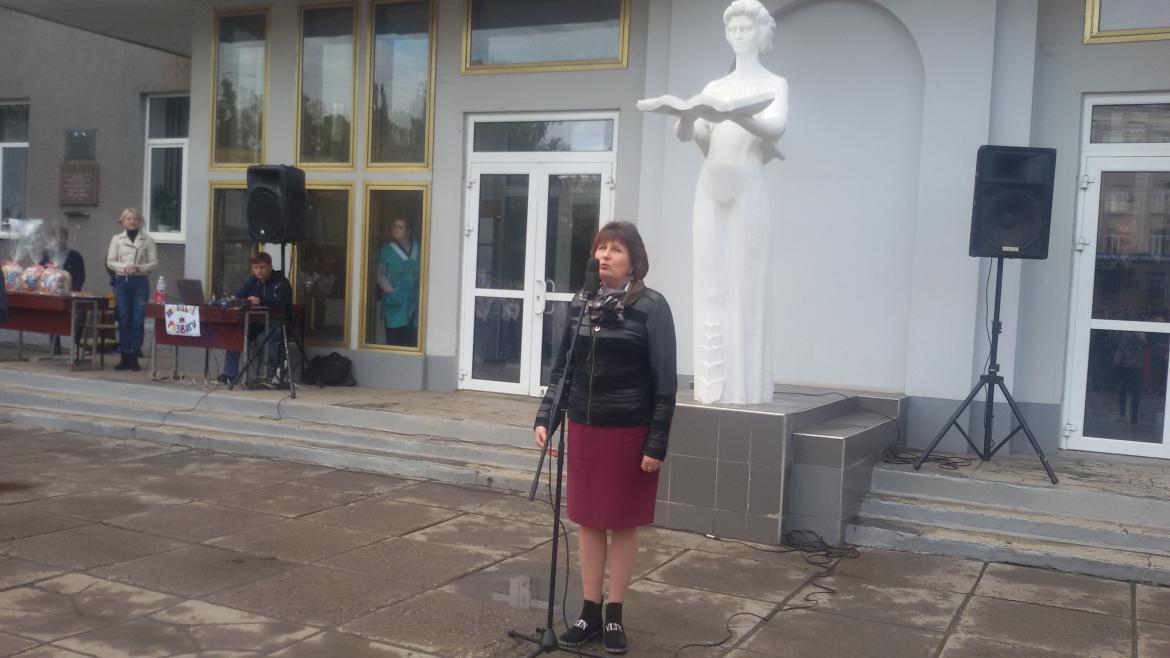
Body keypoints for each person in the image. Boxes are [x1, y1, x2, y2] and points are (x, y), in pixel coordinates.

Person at [533, 221, 677, 654]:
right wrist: (547, 417)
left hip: (629, 433)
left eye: (615, 249)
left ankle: (614, 614)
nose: (605, 256)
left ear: (634, 260)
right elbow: (563, 369)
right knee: (589, 520)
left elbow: (665, 382)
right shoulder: (581, 303)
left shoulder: (652, 307)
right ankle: (589, 612)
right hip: (585, 429)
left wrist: (656, 443)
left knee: (623, 522)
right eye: (601, 248)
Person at [674, 0, 787, 404]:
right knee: (710, 284)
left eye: (746, 29)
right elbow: (695, 137)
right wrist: (688, 115)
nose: (739, 35)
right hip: (710, 186)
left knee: (748, 281)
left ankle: (749, 386)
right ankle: (712, 384)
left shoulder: (775, 84)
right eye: (733, 29)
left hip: (748, 185)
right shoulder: (715, 88)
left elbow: (776, 127)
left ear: (761, 33)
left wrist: (737, 115)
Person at [217, 252, 292, 386]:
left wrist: (260, 301)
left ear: (270, 267)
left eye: (262, 267)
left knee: (263, 339)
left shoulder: (281, 282)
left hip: (279, 324)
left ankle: (280, 369)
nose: (259, 271)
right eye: (256, 268)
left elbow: (282, 303)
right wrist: (234, 298)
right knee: (236, 334)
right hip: (258, 323)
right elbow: (241, 293)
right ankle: (230, 375)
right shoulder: (252, 281)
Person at [106, 208, 157, 371]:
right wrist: (124, 267)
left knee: (138, 319)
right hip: (123, 280)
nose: (132, 221)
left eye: (135, 218)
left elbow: (153, 262)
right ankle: (124, 355)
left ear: (139, 221)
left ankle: (134, 354)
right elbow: (110, 261)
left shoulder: (147, 240)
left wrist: (139, 268)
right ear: (123, 222)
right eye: (128, 219)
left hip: (140, 281)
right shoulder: (117, 239)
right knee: (123, 317)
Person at [376, 217, 421, 347]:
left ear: (409, 231)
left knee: (413, 342)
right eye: (394, 226)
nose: (395, 229)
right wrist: (389, 290)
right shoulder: (387, 249)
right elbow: (380, 273)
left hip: (415, 302)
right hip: (395, 302)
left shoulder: (419, 248)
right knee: (394, 341)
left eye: (400, 227)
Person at [41, 226, 86, 355]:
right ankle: (54, 349)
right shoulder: (47, 255)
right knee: (52, 316)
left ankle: (75, 345)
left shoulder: (74, 255)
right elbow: (41, 273)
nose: (59, 240)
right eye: (55, 237)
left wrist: (73, 290)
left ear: (66, 239)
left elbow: (80, 275)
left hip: (70, 294)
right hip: (51, 295)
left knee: (80, 314)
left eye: (61, 237)